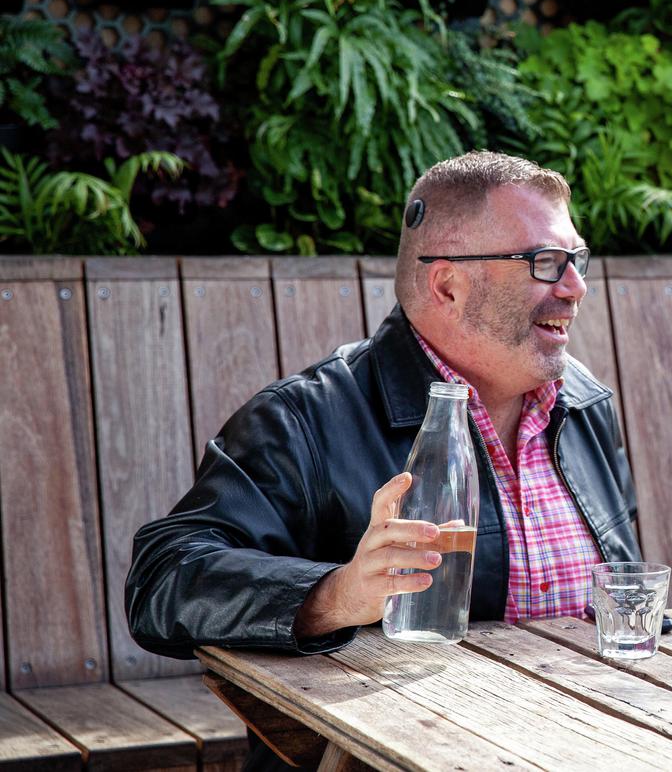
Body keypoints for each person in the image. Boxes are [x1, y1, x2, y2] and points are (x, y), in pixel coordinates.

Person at [126, 152, 640, 668]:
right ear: (447, 286)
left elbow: (628, 600)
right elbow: (164, 577)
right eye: (547, 262)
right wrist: (336, 594)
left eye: (577, 260)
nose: (576, 287)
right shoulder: (304, 419)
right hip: (393, 739)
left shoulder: (583, 403)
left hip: (581, 734)